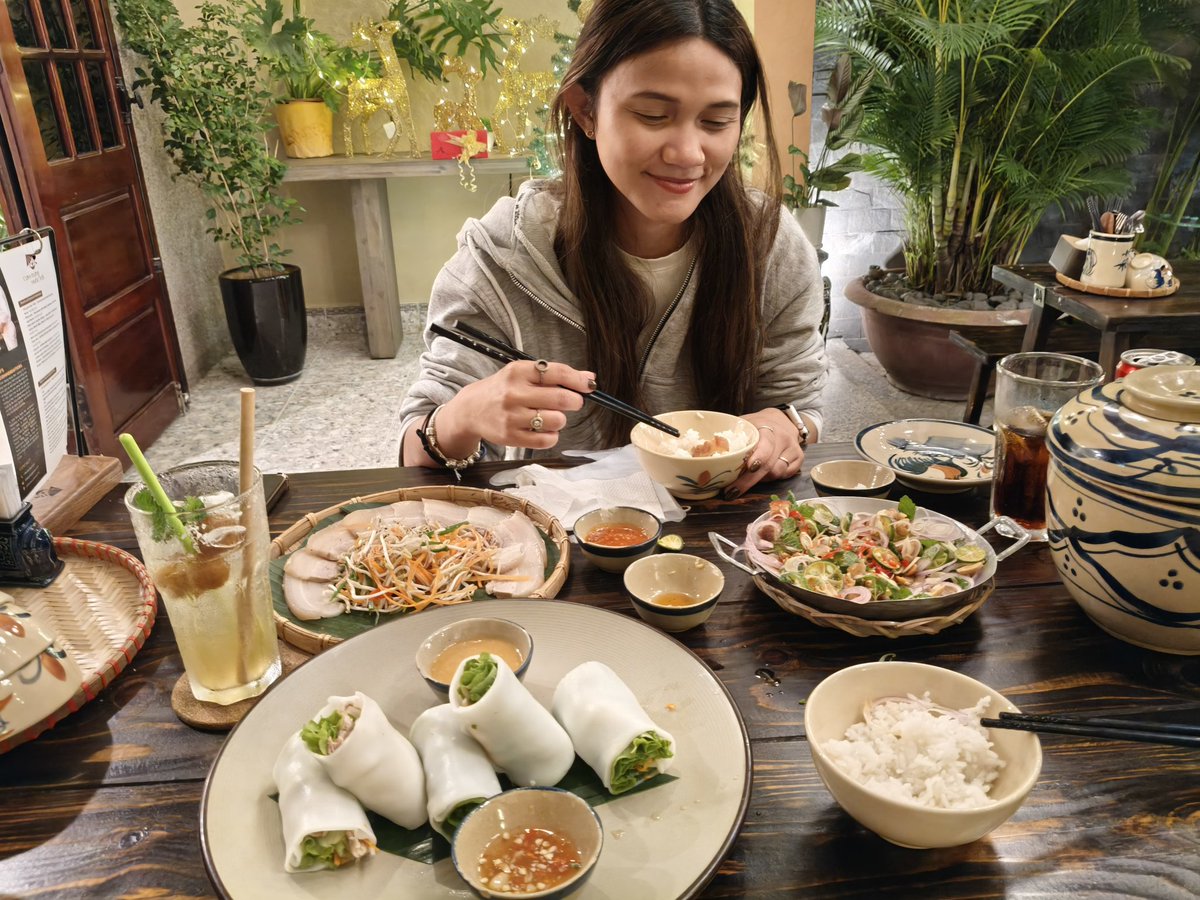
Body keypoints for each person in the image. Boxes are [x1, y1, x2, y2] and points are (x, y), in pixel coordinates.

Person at [399, 0, 827, 499]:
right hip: (556, 545)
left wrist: (782, 428)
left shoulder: (769, 245)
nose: (688, 154)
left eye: (715, 123)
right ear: (586, 110)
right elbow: (415, 449)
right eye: (652, 114)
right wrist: (463, 415)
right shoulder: (502, 254)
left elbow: (801, 407)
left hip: (723, 539)